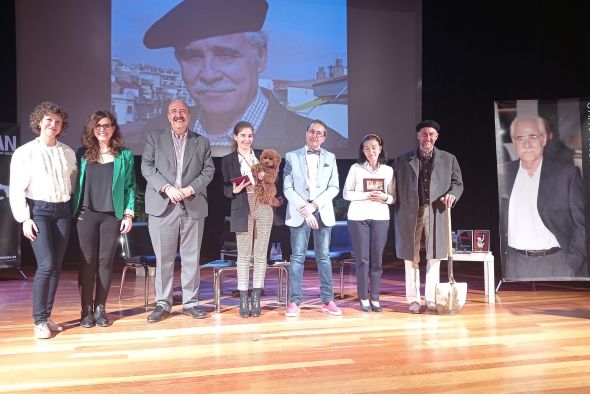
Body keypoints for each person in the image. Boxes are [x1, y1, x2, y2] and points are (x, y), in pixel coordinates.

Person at [140, 0, 347, 153]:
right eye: (192, 56)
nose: (209, 74)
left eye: (226, 55)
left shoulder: (322, 142)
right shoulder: (157, 132)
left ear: (260, 56)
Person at [141, 99, 215, 322]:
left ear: (189, 116)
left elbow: (208, 170)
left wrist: (191, 188)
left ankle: (191, 302)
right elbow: (147, 166)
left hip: (192, 205)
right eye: (174, 111)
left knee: (192, 258)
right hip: (163, 206)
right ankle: (163, 303)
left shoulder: (201, 141)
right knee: (164, 258)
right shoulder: (155, 137)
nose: (178, 115)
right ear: (167, 116)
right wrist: (167, 188)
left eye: (183, 111)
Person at [9, 102, 78, 339]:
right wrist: (24, 219)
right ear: (39, 121)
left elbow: (72, 184)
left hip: (62, 212)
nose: (53, 125)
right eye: (49, 120)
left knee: (56, 267)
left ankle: (47, 316)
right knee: (46, 264)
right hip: (38, 211)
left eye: (58, 122)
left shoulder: (68, 152)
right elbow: (16, 189)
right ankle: (38, 320)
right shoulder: (24, 152)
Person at [499, 114, 586, 279]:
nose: (527, 143)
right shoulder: (503, 173)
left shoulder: (566, 174)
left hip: (556, 264)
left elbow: (582, 225)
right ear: (514, 142)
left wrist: (571, 266)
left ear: (544, 138)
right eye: (520, 137)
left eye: (533, 136)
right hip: (515, 265)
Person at [71, 110, 137, 328]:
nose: (102, 129)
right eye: (98, 125)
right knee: (87, 263)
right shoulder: (82, 153)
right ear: (92, 128)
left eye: (107, 125)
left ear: (113, 129)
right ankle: (86, 310)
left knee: (105, 263)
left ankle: (100, 307)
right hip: (86, 214)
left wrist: (128, 213)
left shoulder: (124, 155)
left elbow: (130, 187)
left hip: (111, 216)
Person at [394, 120, 463, 314]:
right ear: (418, 136)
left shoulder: (449, 159)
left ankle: (432, 299)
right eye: (424, 134)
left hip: (436, 211)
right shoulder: (403, 159)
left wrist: (453, 194)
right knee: (410, 255)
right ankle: (413, 300)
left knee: (435, 254)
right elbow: (392, 183)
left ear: (436, 137)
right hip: (410, 212)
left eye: (431, 134)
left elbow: (458, 183)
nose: (428, 138)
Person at [283, 119, 341, 317]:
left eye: (320, 133)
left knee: (323, 257)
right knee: (297, 257)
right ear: (306, 133)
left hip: (322, 210)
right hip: (300, 212)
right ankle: (294, 301)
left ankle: (327, 300)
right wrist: (305, 209)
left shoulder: (330, 157)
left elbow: (334, 187)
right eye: (312, 131)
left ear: (324, 138)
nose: (315, 136)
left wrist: (314, 206)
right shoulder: (291, 156)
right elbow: (287, 187)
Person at [221, 121, 275, 318]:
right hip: (242, 205)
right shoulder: (228, 160)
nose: (247, 139)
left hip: (263, 205)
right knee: (244, 255)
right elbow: (225, 189)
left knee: (260, 255)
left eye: (250, 135)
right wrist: (233, 190)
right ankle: (243, 299)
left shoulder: (261, 156)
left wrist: (265, 177)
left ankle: (256, 298)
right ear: (235, 137)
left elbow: (273, 178)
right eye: (242, 135)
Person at [343, 134, 395, 312]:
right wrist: (366, 195)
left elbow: (393, 197)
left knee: (377, 261)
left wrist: (384, 197)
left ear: (380, 148)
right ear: (362, 151)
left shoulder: (388, 170)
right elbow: (346, 194)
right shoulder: (355, 168)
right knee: (363, 260)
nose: (370, 151)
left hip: (380, 217)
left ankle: (375, 297)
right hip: (358, 217)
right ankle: (363, 298)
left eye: (373, 147)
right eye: (366, 148)